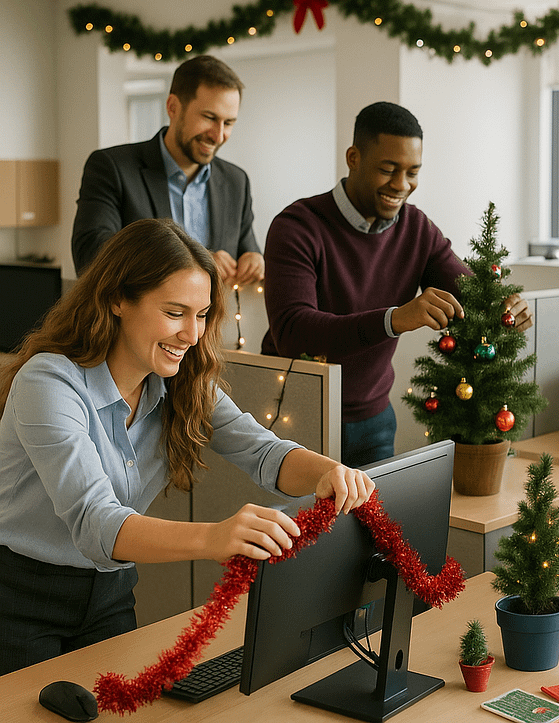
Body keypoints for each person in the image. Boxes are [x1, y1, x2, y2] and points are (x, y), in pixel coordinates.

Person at [0, 218, 374, 675]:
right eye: (175, 313)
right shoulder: (48, 382)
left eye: (201, 316)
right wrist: (214, 537)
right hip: (17, 595)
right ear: (117, 299)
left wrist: (329, 472)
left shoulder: (184, 383)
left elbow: (264, 453)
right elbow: (94, 520)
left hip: (110, 592)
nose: (192, 335)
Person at [260, 102, 532, 467]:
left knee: (371, 526)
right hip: (294, 414)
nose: (402, 185)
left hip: (374, 422)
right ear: (353, 157)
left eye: (412, 172)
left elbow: (471, 293)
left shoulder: (416, 229)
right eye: (388, 169)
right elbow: (293, 332)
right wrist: (393, 320)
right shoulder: (297, 226)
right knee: (294, 526)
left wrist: (504, 305)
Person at [71, 55, 265, 286]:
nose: (218, 135)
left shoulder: (236, 181)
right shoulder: (112, 167)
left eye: (229, 123)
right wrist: (194, 262)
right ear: (173, 107)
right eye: (209, 117)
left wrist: (253, 258)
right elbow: (90, 258)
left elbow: (246, 248)